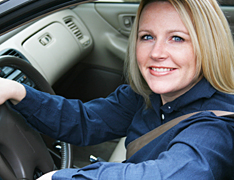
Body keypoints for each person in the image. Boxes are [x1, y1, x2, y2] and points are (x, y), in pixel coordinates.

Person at [1, 0, 234, 179]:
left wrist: (62, 177)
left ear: (208, 47)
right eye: (147, 37)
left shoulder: (215, 126)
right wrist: (18, 91)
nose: (156, 53)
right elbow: (85, 121)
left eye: (177, 38)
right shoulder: (144, 95)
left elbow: (167, 174)